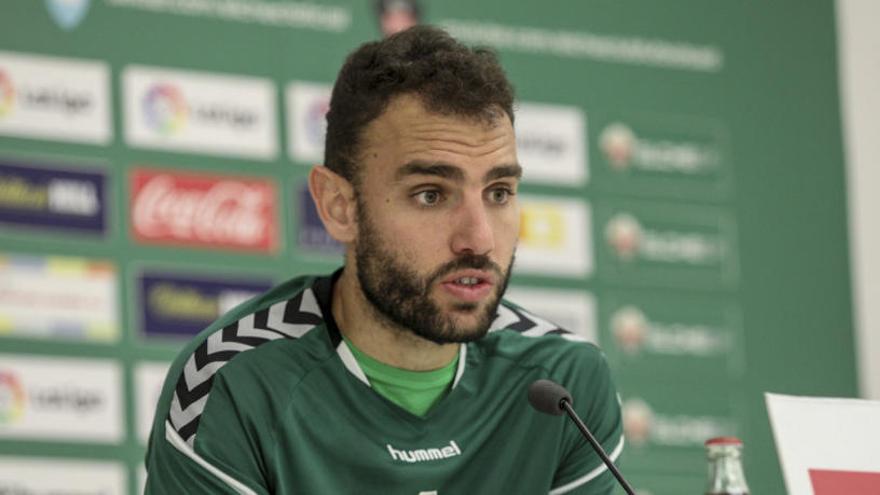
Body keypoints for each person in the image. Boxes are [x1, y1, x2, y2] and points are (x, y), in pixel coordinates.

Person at [144, 25, 624, 494]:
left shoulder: (564, 383)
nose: (478, 240)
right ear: (339, 206)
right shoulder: (231, 384)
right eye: (431, 195)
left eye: (499, 192)